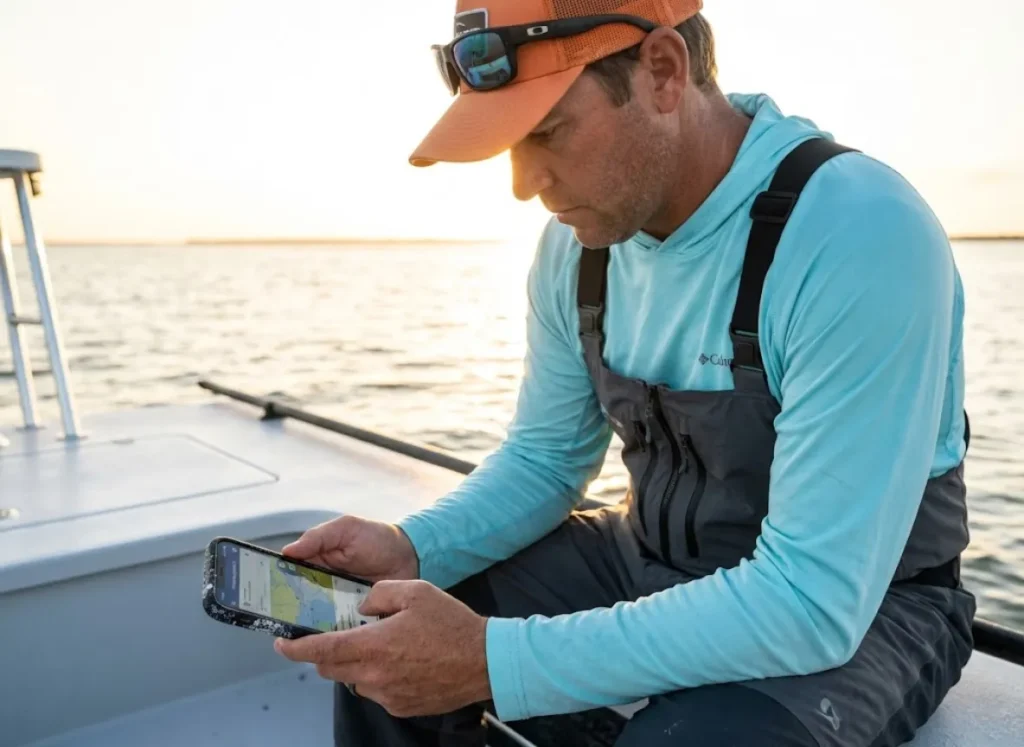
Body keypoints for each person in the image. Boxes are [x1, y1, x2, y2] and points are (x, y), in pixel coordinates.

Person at [274, 1, 976, 745]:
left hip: (869, 609)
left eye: (545, 132)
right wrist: (415, 547)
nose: (523, 182)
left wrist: (492, 660)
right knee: (384, 637)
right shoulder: (575, 246)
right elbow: (546, 461)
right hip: (646, 558)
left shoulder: (856, 230)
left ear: (665, 73)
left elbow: (810, 601)